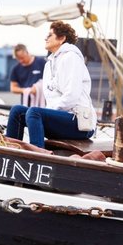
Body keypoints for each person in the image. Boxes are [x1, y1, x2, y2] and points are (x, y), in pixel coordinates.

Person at [6, 21, 95, 149]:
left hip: (80, 123)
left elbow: (72, 96)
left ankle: (38, 157)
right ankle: (11, 153)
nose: (46, 38)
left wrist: (49, 113)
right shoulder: (49, 64)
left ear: (61, 39)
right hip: (61, 119)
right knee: (17, 111)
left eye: (50, 35)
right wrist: (49, 114)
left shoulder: (72, 58)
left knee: (34, 112)